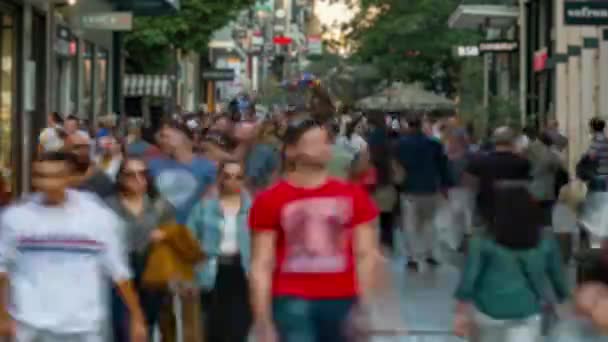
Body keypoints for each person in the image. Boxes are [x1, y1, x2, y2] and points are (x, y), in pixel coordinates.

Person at [249, 117, 383, 342]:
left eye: (326, 142)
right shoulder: (270, 200)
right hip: (291, 300)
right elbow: (261, 263)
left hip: (342, 298)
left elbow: (367, 254)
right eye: (314, 143)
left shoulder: (353, 196)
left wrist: (365, 305)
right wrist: (263, 320)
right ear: (291, 151)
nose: (323, 148)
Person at [0, 151, 147, 342]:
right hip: (30, 327)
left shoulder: (97, 218)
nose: (49, 184)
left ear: (69, 178)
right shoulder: (16, 218)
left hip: (83, 328)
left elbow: (119, 273)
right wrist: (3, 316)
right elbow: (2, 269)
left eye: (56, 176)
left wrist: (136, 316)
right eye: (42, 176)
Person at [453, 187, 569, 342]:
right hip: (527, 311)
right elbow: (558, 276)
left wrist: (462, 306)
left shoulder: (481, 239)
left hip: (488, 311)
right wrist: (563, 298)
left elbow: (470, 276)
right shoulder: (545, 239)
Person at [105, 157, 175, 342]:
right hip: (118, 273)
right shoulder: (107, 206)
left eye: (142, 174)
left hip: (150, 271)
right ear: (120, 178)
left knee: (147, 323)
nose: (137, 179)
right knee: (120, 324)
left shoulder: (160, 206)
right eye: (130, 174)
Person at [187, 160, 252, 342]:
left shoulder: (253, 209)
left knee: (240, 327)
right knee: (212, 328)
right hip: (211, 271)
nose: (233, 181)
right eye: (228, 176)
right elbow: (189, 241)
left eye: (238, 177)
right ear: (219, 178)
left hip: (242, 271)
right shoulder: (203, 208)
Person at [395, 114, 452, 272]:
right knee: (429, 223)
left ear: (408, 125)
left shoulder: (400, 145)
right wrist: (446, 185)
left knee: (410, 225)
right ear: (421, 125)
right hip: (430, 188)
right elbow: (443, 167)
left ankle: (413, 257)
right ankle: (429, 253)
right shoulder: (434, 144)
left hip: (409, 189)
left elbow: (395, 167)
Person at [148, 121, 216, 224]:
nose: (162, 141)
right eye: (161, 137)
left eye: (166, 136)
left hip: (194, 230)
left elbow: (213, 200)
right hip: (163, 230)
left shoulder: (206, 167)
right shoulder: (154, 165)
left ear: (182, 136)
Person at [65, 132, 115, 198]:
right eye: (76, 147)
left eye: (86, 147)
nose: (82, 151)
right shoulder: (58, 173)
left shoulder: (99, 176)